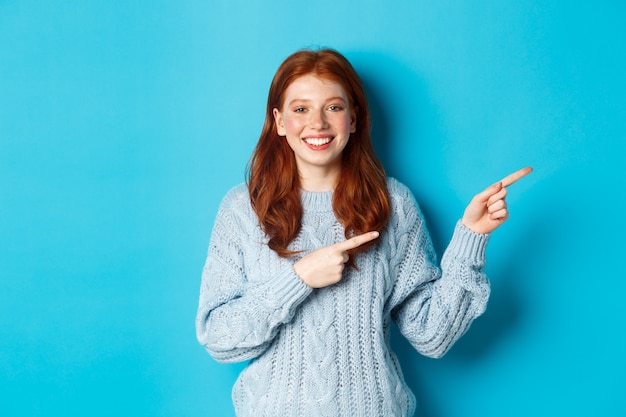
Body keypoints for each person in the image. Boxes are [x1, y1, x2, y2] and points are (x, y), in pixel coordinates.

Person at [196, 48, 532, 417]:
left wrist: (471, 236)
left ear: (354, 118)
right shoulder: (243, 208)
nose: (318, 123)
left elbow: (432, 335)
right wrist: (299, 278)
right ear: (279, 121)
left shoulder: (393, 204)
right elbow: (218, 339)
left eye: (334, 108)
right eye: (301, 109)